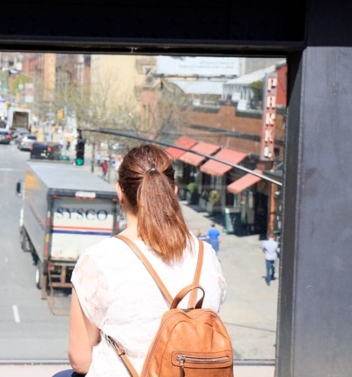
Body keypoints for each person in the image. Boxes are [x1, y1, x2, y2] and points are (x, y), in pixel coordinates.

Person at [53, 143, 226, 377]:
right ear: (173, 193)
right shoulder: (206, 256)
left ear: (120, 193)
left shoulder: (98, 260)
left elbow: (81, 360)